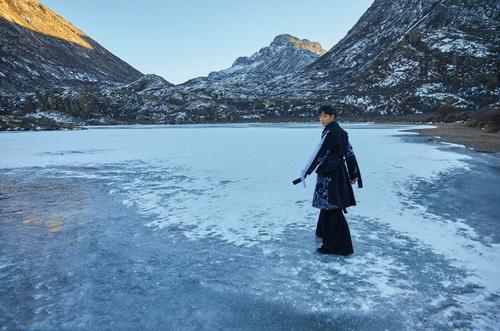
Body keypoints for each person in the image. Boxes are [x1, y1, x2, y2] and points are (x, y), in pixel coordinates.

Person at [295, 105, 363, 255]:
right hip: (338, 171)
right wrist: (353, 173)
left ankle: (338, 245)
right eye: (320, 116)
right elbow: (349, 153)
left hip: (330, 173)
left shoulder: (331, 133)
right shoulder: (342, 133)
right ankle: (323, 232)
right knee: (329, 205)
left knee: (332, 206)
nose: (322, 119)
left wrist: (306, 171)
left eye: (325, 116)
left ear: (333, 117)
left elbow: (320, 153)